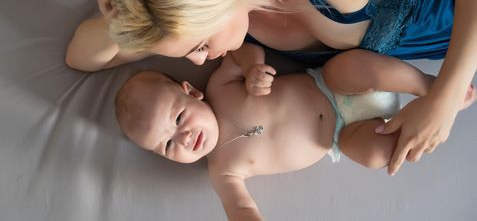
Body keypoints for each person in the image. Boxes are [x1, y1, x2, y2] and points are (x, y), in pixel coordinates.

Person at [67, 0, 477, 175]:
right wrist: (118, 18)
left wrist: (441, 101)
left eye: (200, 44)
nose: (197, 63)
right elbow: (80, 57)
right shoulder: (236, 16)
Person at [115, 44, 475, 221]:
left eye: (178, 120)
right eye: (166, 145)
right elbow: (238, 206)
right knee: (373, 155)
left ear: (190, 92)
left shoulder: (219, 86)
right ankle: (417, 120)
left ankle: (429, 88)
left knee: (348, 67)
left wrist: (254, 69)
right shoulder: (221, 170)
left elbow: (242, 53)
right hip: (343, 136)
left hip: (331, 85)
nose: (182, 139)